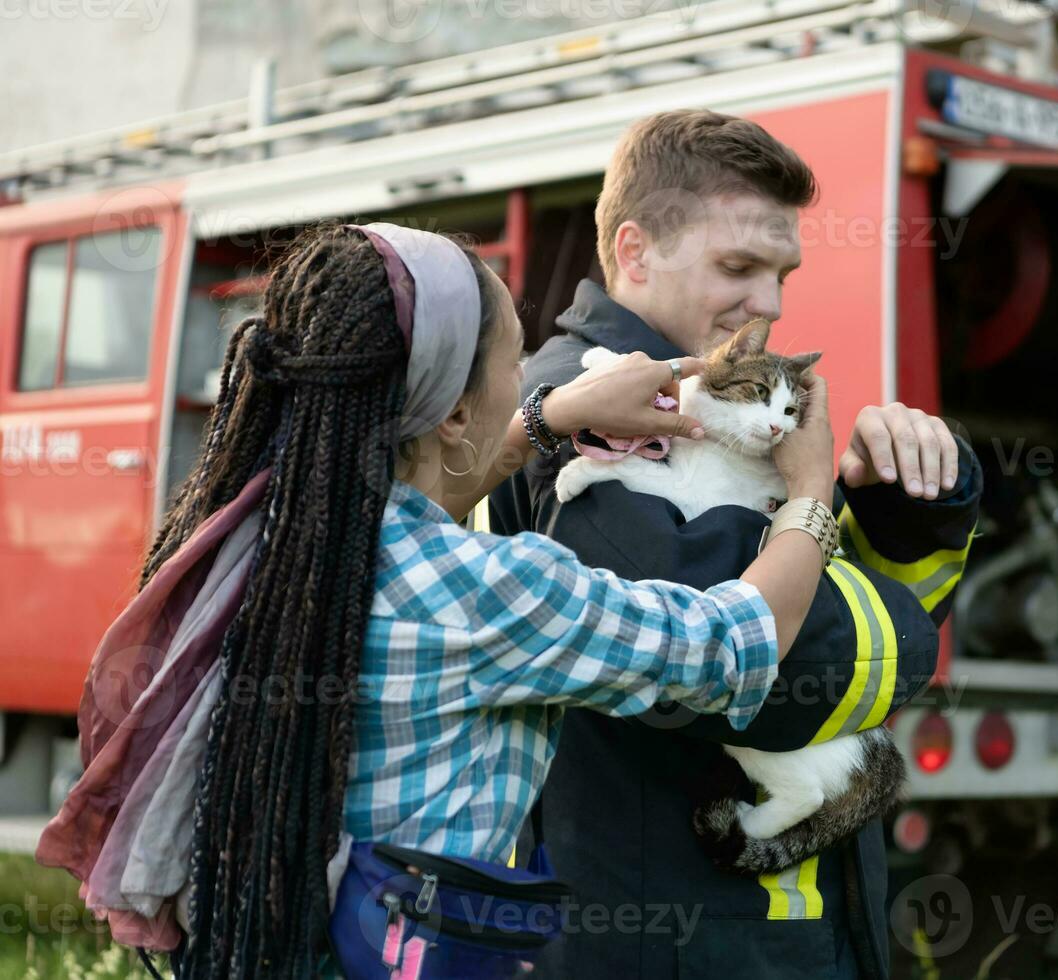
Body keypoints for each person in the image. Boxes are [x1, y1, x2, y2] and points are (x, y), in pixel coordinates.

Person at [36, 221, 841, 979]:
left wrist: (547, 419)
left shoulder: (265, 529)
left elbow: (421, 507)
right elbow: (734, 640)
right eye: (515, 363)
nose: (526, 380)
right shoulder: (496, 592)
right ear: (454, 410)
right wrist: (809, 488)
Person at [491, 110, 981, 979]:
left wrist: (908, 509)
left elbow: (812, 597)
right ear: (635, 253)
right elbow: (765, 671)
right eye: (739, 267)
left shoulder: (715, 399)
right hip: (672, 941)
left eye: (783, 272)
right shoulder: (584, 416)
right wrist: (822, 510)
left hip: (763, 926)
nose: (772, 304)